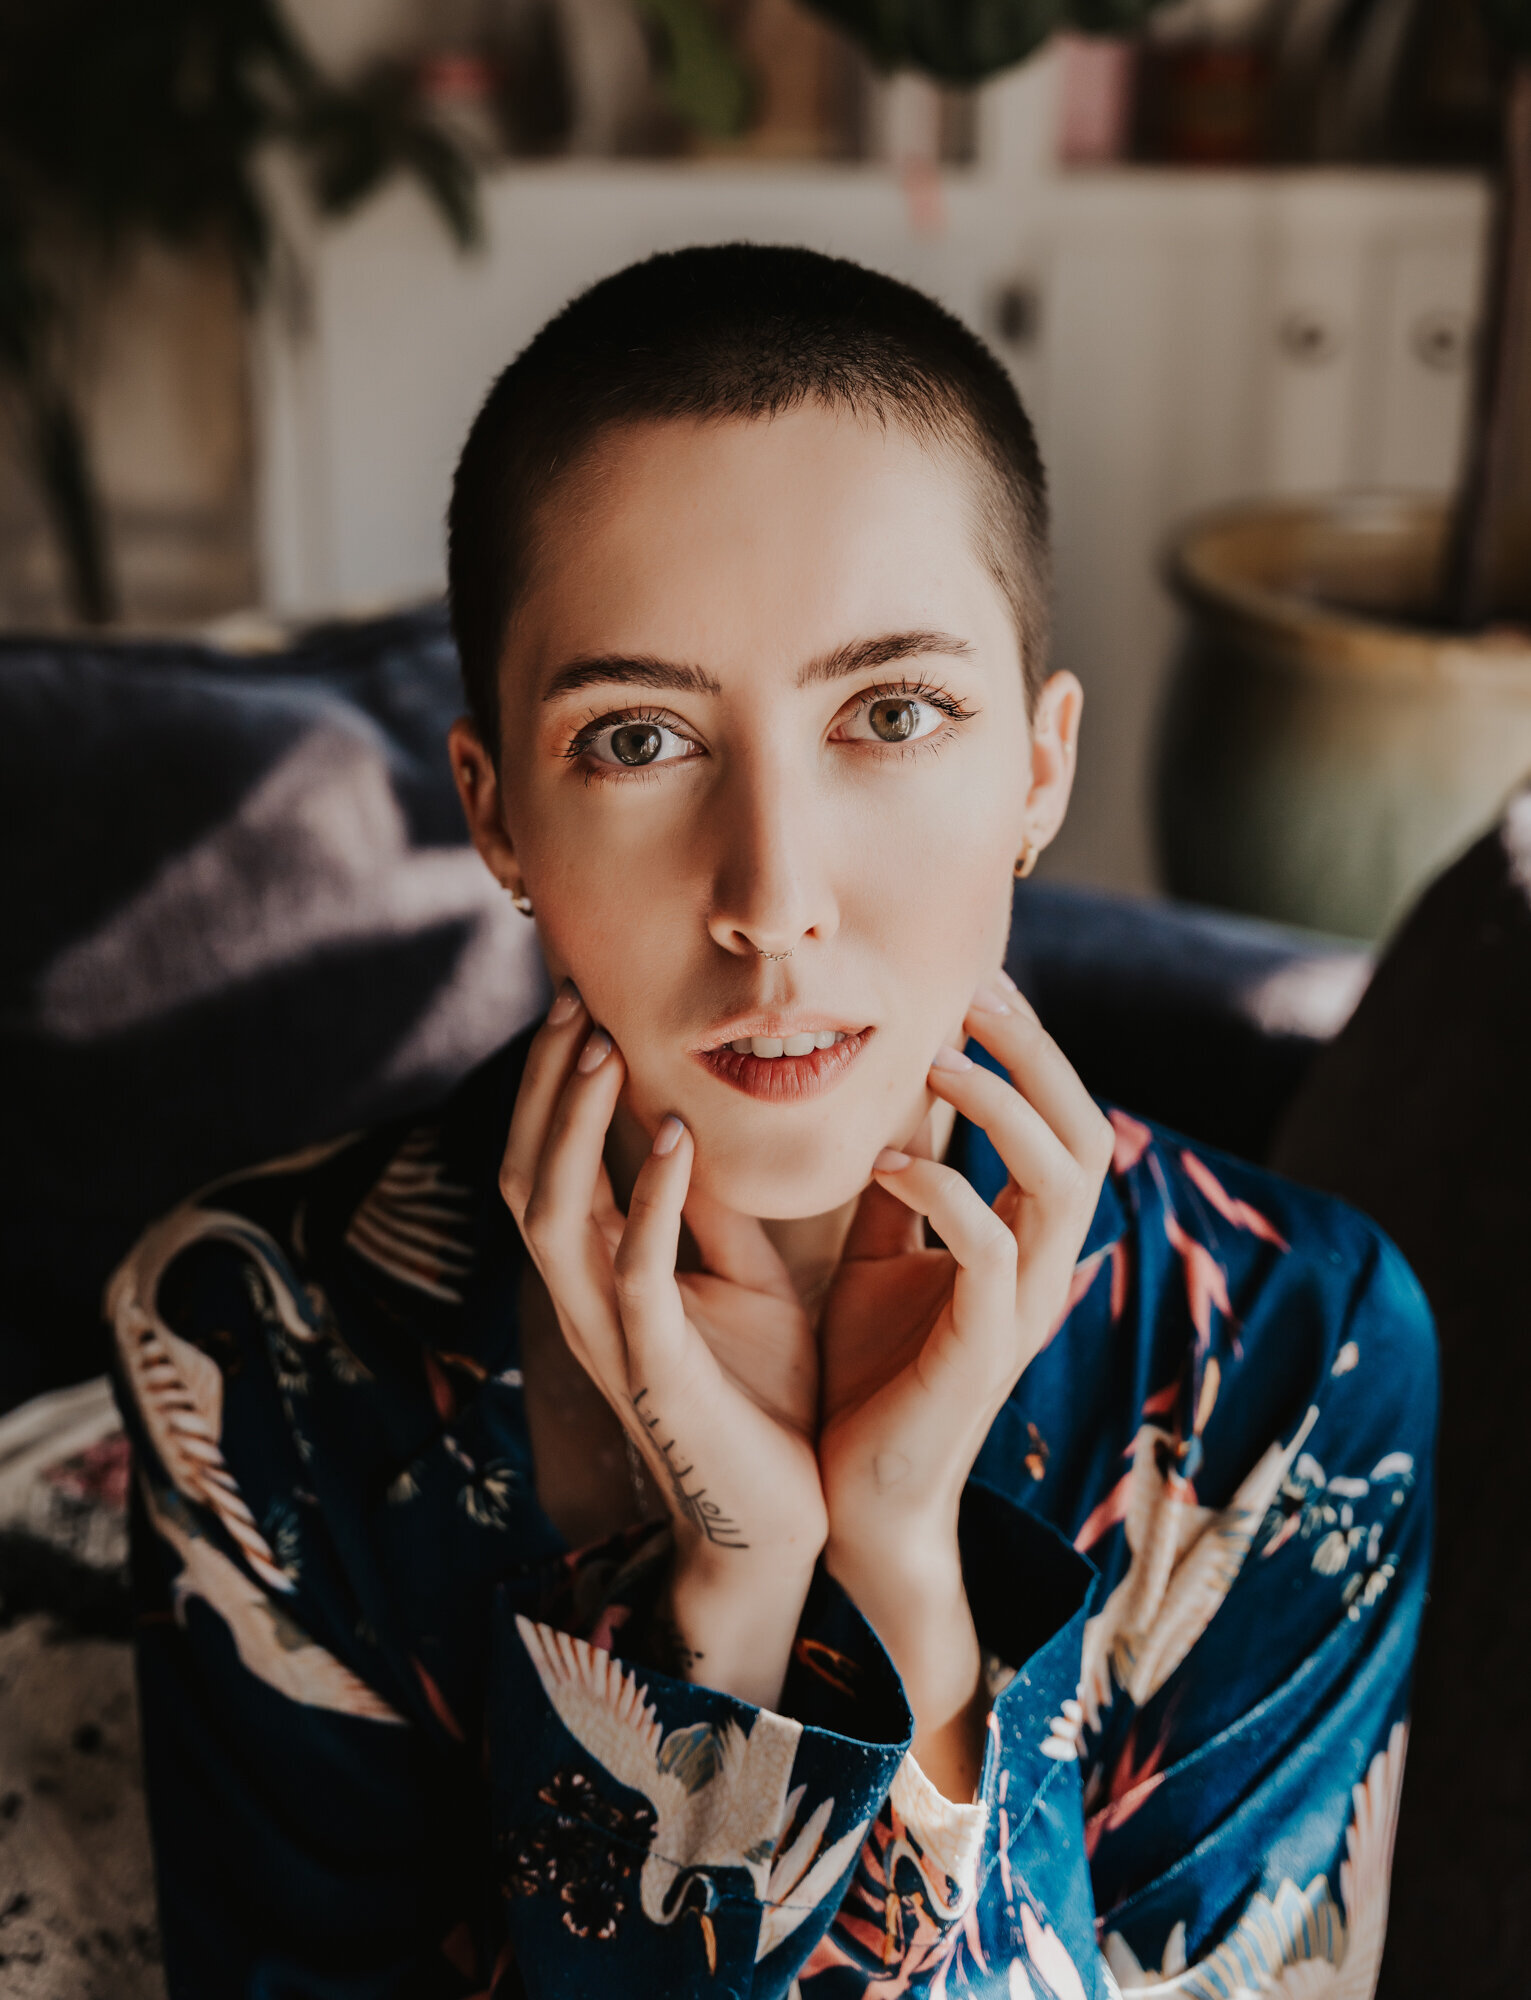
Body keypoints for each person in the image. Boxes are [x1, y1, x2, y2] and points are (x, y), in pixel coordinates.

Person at [109, 245, 1436, 1999]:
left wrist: (907, 1582)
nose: (773, 895)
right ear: (495, 815)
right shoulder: (254, 1345)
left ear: (1038, 771)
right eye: (640, 738)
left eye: (891, 714)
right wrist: (726, 1602)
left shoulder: (1290, 1352)